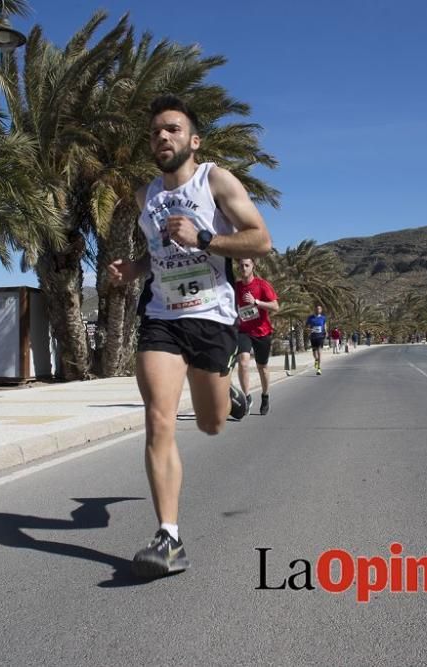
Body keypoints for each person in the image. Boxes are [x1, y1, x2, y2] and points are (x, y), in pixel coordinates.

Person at [107, 95, 272, 578]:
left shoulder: (215, 181)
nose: (162, 137)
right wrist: (133, 268)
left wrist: (203, 238)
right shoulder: (146, 197)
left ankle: (228, 391)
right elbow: (155, 255)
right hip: (162, 315)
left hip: (212, 317)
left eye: (173, 129)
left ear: (193, 140)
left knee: (211, 423)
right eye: (156, 131)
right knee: (159, 418)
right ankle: (169, 537)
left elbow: (260, 239)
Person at [235, 258, 279, 415]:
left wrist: (257, 302)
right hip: (243, 331)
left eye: (247, 265)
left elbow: (275, 306)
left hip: (262, 331)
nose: (244, 268)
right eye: (241, 266)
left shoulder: (262, 285)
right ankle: (247, 397)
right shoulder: (236, 287)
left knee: (262, 367)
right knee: (243, 362)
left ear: (253, 266)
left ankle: (265, 396)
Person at [306, 305, 327, 375]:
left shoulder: (323, 318)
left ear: (321, 310)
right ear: (315, 309)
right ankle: (316, 360)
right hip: (313, 337)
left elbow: (324, 326)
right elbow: (307, 327)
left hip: (320, 337)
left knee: (319, 352)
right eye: (317, 308)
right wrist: (310, 329)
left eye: (319, 309)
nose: (318, 310)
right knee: (314, 353)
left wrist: (326, 332)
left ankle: (319, 368)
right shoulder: (310, 318)